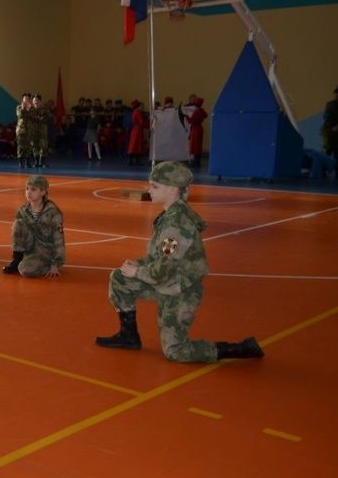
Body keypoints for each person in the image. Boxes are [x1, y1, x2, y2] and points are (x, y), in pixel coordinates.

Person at [95, 161, 265, 363]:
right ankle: (128, 336)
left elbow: (162, 271)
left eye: (155, 186)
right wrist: (140, 265)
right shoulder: (170, 215)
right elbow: (159, 259)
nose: (149, 190)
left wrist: (138, 272)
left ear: (173, 189)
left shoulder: (176, 224)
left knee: (175, 351)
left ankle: (238, 349)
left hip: (180, 290)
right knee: (119, 278)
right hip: (167, 281)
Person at [2, 175, 65, 277]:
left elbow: (58, 239)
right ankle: (17, 259)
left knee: (25, 270)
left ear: (43, 192)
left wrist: (55, 263)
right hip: (30, 246)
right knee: (18, 224)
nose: (28, 192)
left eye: (33, 189)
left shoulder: (53, 213)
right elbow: (18, 234)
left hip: (45, 250)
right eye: (27, 188)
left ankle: (46, 264)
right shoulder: (22, 210)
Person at [186, 97, 208, 169]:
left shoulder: (197, 112)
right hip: (199, 129)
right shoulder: (201, 111)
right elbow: (205, 115)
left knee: (195, 146)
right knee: (198, 146)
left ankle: (196, 162)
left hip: (195, 130)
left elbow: (191, 121)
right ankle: (197, 161)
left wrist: (186, 116)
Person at [321, 87, 338, 174]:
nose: (336, 95)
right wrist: (329, 128)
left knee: (336, 153)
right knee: (326, 152)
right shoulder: (330, 104)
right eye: (335, 94)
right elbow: (326, 117)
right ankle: (324, 171)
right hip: (328, 133)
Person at [15, 93, 34, 168]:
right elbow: (20, 115)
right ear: (22, 100)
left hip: (29, 129)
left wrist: (29, 109)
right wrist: (24, 108)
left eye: (28, 99)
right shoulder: (19, 107)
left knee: (28, 146)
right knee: (21, 146)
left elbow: (32, 117)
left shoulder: (31, 108)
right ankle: (20, 162)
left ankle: (28, 162)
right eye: (25, 98)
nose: (26, 100)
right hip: (21, 130)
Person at [127, 100, 147, 166]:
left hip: (135, 129)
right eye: (142, 106)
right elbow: (141, 122)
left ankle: (131, 160)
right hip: (138, 130)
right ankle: (136, 161)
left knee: (133, 145)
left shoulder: (134, 112)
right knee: (137, 145)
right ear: (139, 106)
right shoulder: (138, 112)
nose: (143, 107)